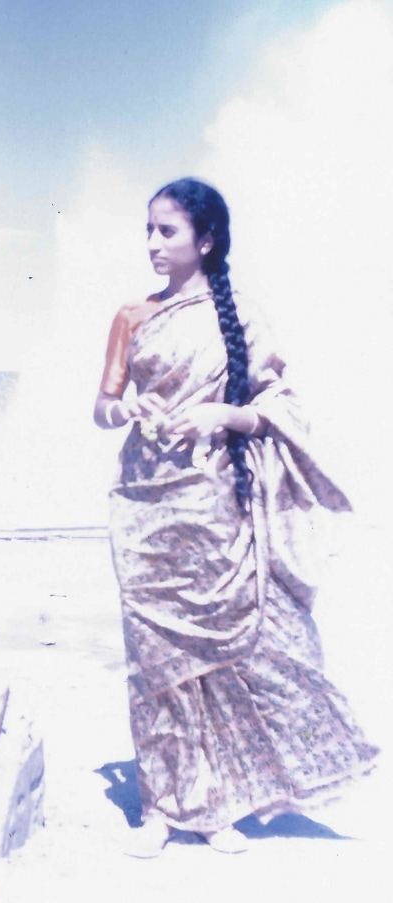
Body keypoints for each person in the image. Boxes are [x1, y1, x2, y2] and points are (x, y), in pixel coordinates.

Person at [94, 177, 379, 857]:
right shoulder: (133, 316)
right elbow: (101, 407)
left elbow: (278, 411)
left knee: (219, 652)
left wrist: (223, 413)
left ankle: (223, 804)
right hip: (144, 502)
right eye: (149, 230)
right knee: (155, 660)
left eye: (168, 231)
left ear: (206, 240)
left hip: (216, 503)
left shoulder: (241, 317)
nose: (154, 244)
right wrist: (122, 409)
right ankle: (162, 809)